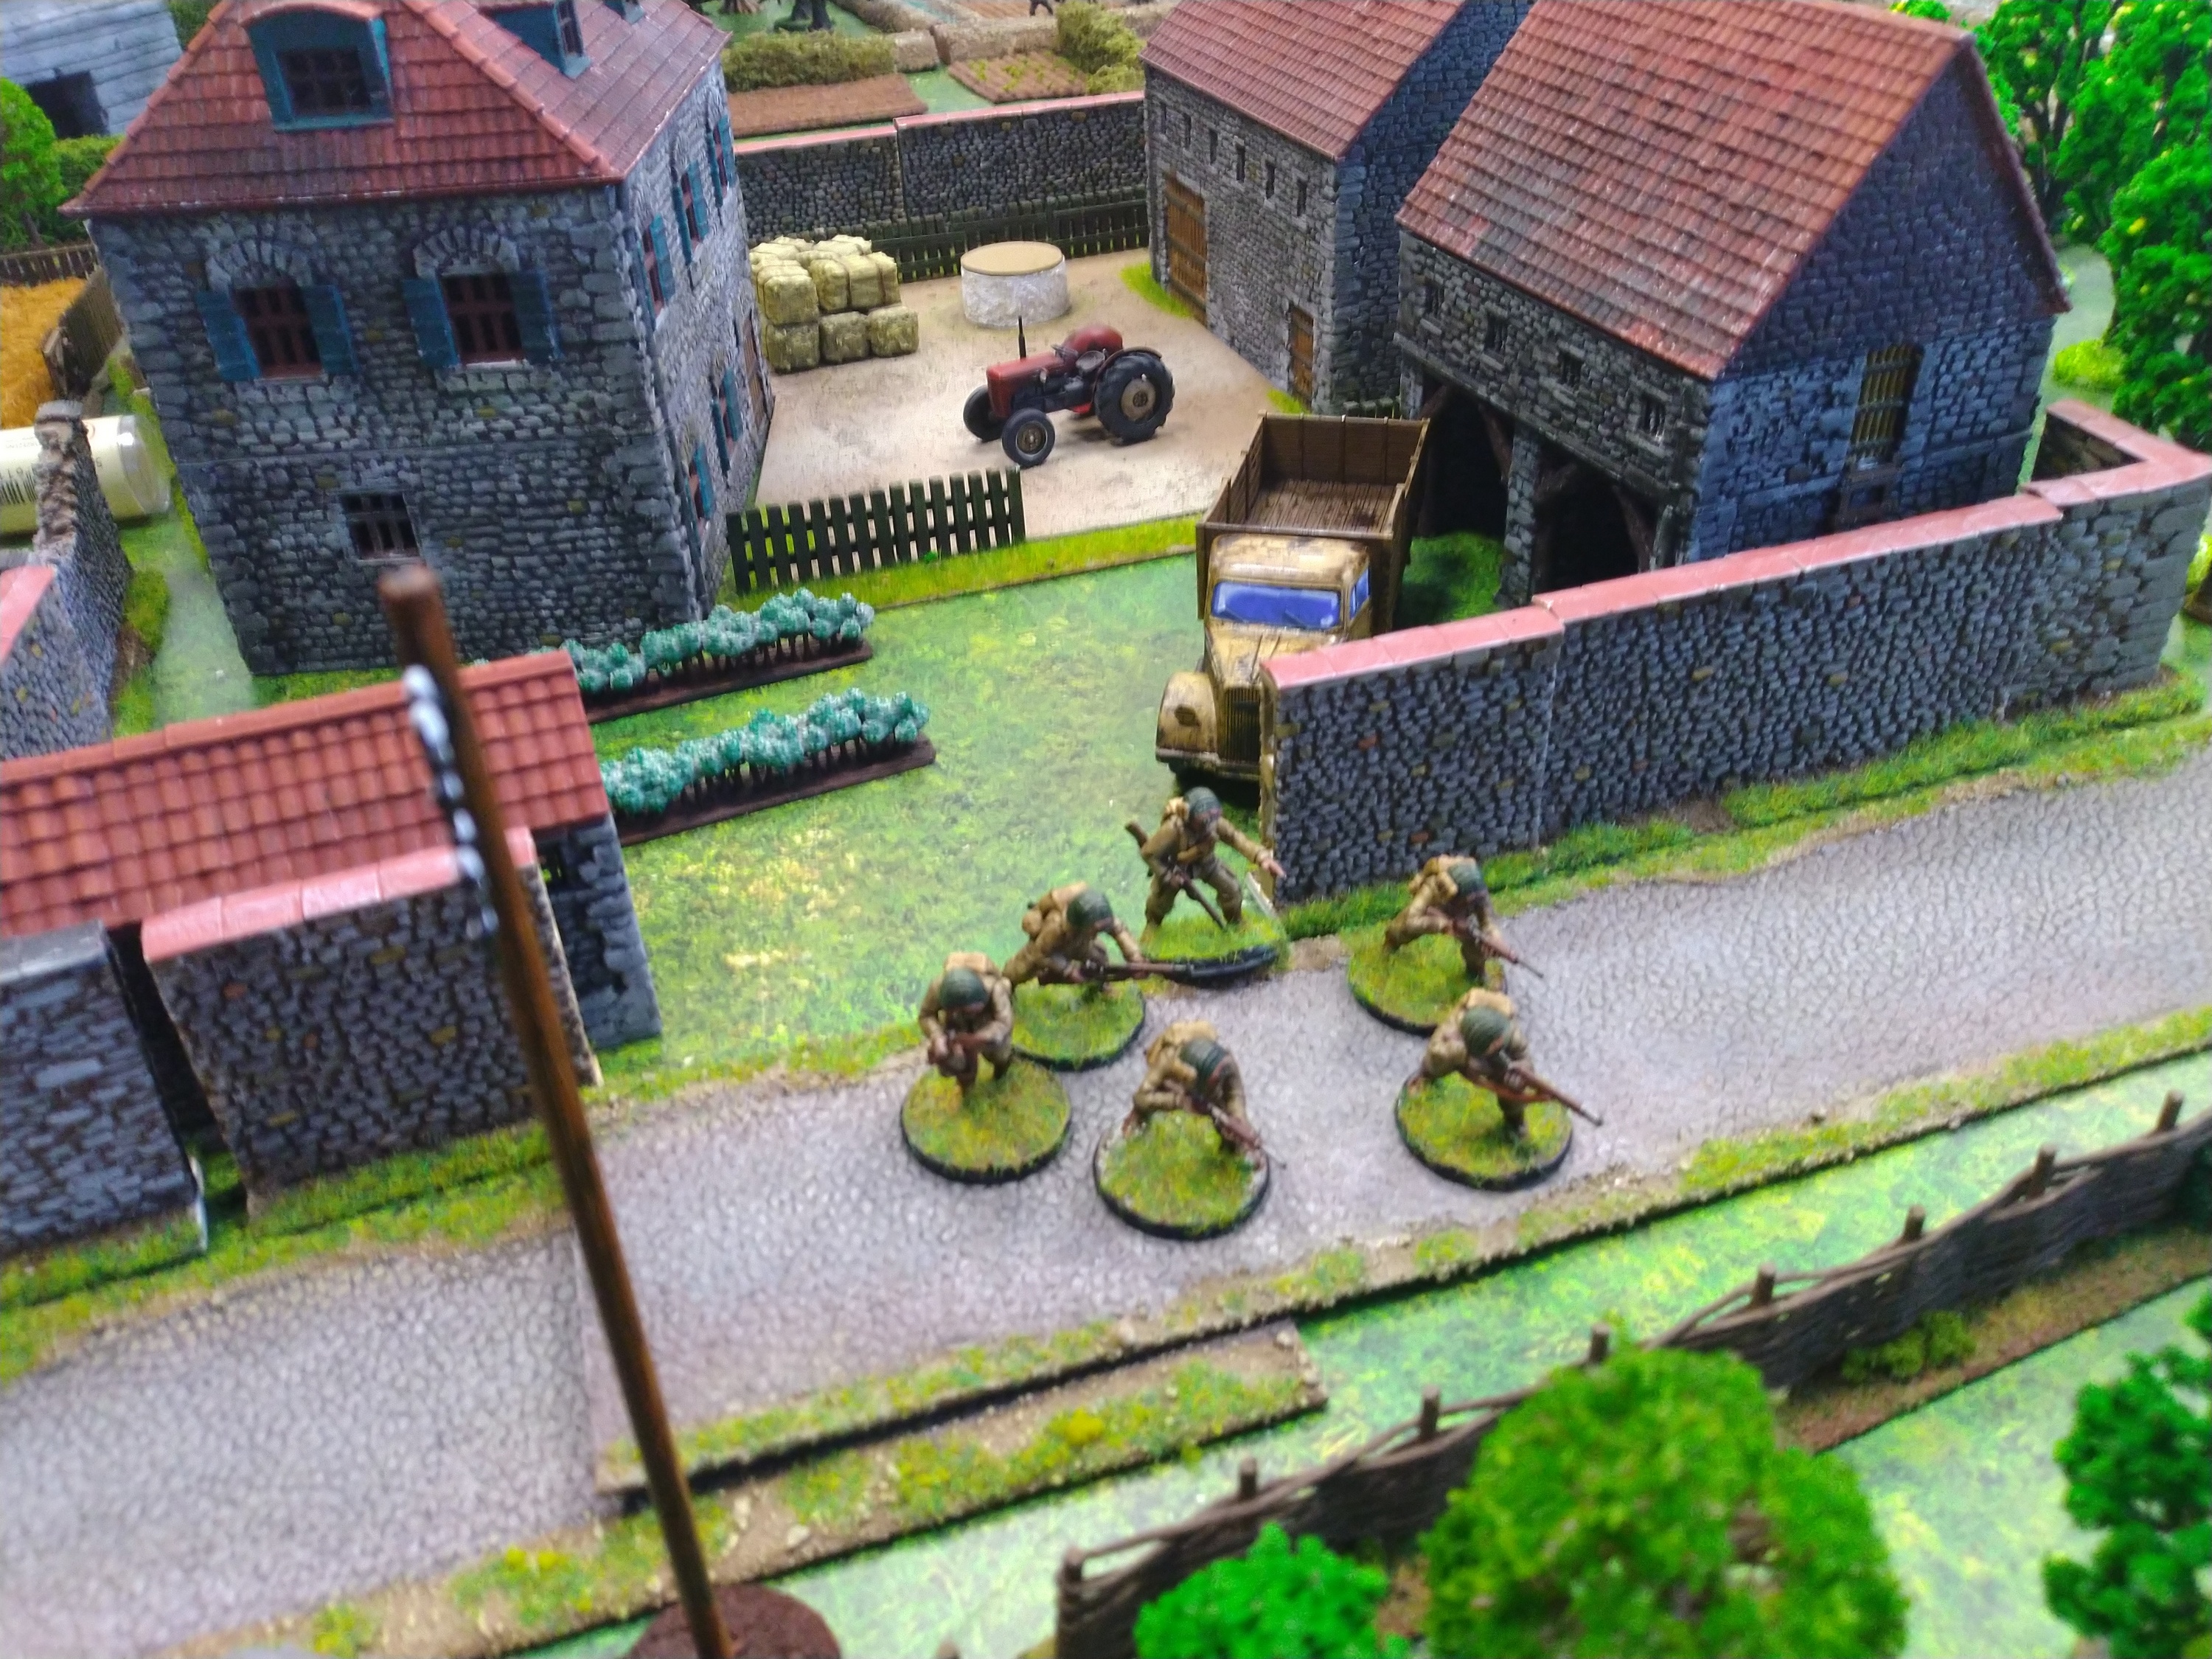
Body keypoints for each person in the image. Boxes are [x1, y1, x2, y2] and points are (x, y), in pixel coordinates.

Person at [1410, 987, 1571, 1138]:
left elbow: (1524, 1056)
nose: (1500, 1042)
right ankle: (1425, 1076)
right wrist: (1463, 1055)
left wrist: (1523, 1069)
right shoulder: (1454, 1029)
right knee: (1440, 1060)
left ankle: (1515, 1121)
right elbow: (1437, 1051)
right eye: (1495, 1044)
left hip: (1498, 1064)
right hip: (1467, 1050)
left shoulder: (1510, 1034)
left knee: (1513, 1088)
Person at [1134, 788, 1285, 928]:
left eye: (1213, 818)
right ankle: (1152, 925)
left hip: (1207, 864)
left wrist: (1261, 857)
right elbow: (1148, 853)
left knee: (1231, 889)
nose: (1209, 825)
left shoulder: (1213, 822)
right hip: (1176, 868)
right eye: (1203, 821)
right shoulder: (1172, 829)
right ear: (1188, 816)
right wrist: (1166, 876)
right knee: (1160, 901)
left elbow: (1235, 838)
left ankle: (1236, 923)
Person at [1124, 1018, 1260, 1155]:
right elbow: (1140, 1097)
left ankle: (1232, 1151)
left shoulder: (1226, 1064)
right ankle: (1135, 1128)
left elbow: (1234, 1093)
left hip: (1203, 1087)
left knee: (1224, 1118)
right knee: (1144, 1108)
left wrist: (1238, 1117)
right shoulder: (1167, 1060)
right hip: (1174, 1084)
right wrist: (1178, 1101)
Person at [1384, 855, 1514, 983]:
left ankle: (1475, 972)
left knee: (1476, 940)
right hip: (1433, 909)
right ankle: (1389, 947)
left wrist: (1494, 938)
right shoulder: (1433, 886)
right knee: (1399, 929)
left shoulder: (1477, 893)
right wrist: (1443, 925)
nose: (1474, 902)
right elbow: (1411, 920)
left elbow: (1487, 922)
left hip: (1459, 918)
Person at [1001, 883, 1144, 987]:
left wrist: (1135, 957)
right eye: (1095, 929)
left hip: (1079, 941)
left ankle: (1101, 986)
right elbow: (1041, 953)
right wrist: (1068, 970)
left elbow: (1119, 930)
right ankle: (1005, 988)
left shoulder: (1099, 916)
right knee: (1018, 970)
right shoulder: (1055, 926)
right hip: (1047, 947)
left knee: (1099, 957)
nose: (1100, 932)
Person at [916, 953, 1014, 1093]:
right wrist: (937, 1036)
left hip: (987, 1018)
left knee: (1000, 1052)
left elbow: (1004, 1023)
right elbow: (926, 1015)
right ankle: (966, 1085)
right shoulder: (938, 988)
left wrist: (980, 1038)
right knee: (956, 1060)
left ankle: (1000, 1073)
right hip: (955, 1021)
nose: (968, 1013)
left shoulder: (995, 989)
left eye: (971, 1009)